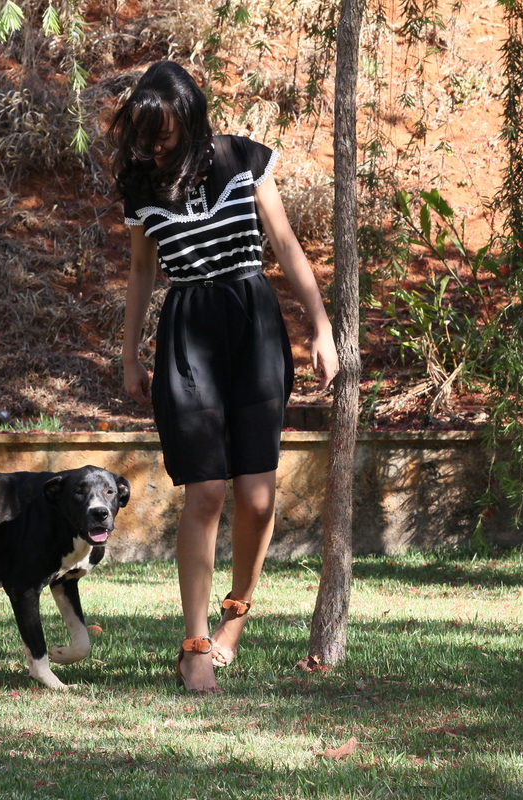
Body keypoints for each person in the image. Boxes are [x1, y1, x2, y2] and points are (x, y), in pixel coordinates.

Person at [110, 61, 339, 695]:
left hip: (254, 325)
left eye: (164, 132)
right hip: (186, 332)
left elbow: (285, 244)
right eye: (146, 133)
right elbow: (141, 272)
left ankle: (235, 618)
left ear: (189, 119)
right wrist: (129, 355)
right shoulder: (141, 186)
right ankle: (195, 648)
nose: (154, 145)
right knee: (207, 492)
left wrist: (320, 327)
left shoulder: (242, 159)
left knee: (258, 497)